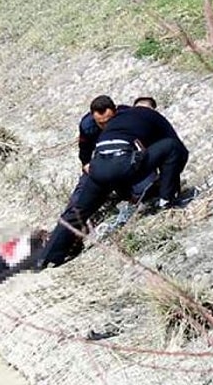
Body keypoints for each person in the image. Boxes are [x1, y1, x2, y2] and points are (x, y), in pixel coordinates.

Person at [37, 95, 189, 269]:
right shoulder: (152, 116)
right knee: (172, 147)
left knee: (77, 212)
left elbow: (88, 154)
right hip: (123, 164)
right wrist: (168, 181)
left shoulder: (120, 119)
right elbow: (177, 148)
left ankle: (47, 258)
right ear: (152, 108)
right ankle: (167, 203)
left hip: (98, 166)